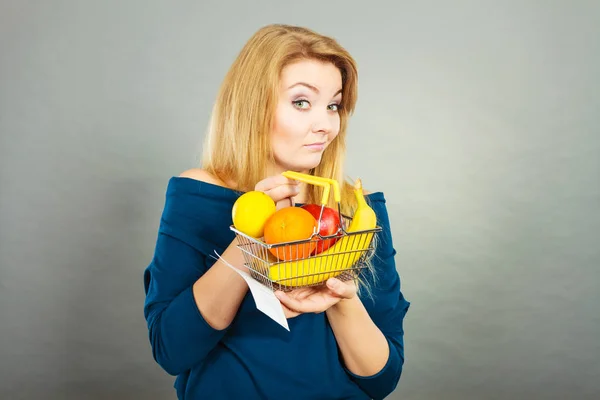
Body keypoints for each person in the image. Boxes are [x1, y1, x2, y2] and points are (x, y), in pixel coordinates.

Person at [143, 24, 410, 400]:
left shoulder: (356, 212)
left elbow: (381, 378)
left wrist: (340, 299)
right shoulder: (199, 195)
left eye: (333, 105)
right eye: (302, 102)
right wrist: (251, 238)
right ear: (253, 106)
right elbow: (172, 349)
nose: (325, 126)